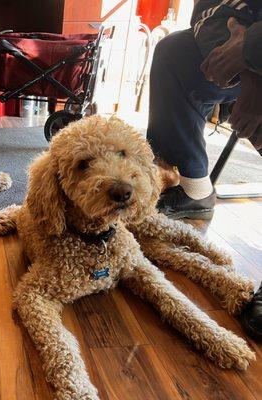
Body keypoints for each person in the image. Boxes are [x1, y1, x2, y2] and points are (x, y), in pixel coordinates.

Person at [146, 0, 262, 340]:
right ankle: (191, 188)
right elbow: (212, 14)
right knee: (174, 52)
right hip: (243, 46)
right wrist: (248, 66)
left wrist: (254, 55)